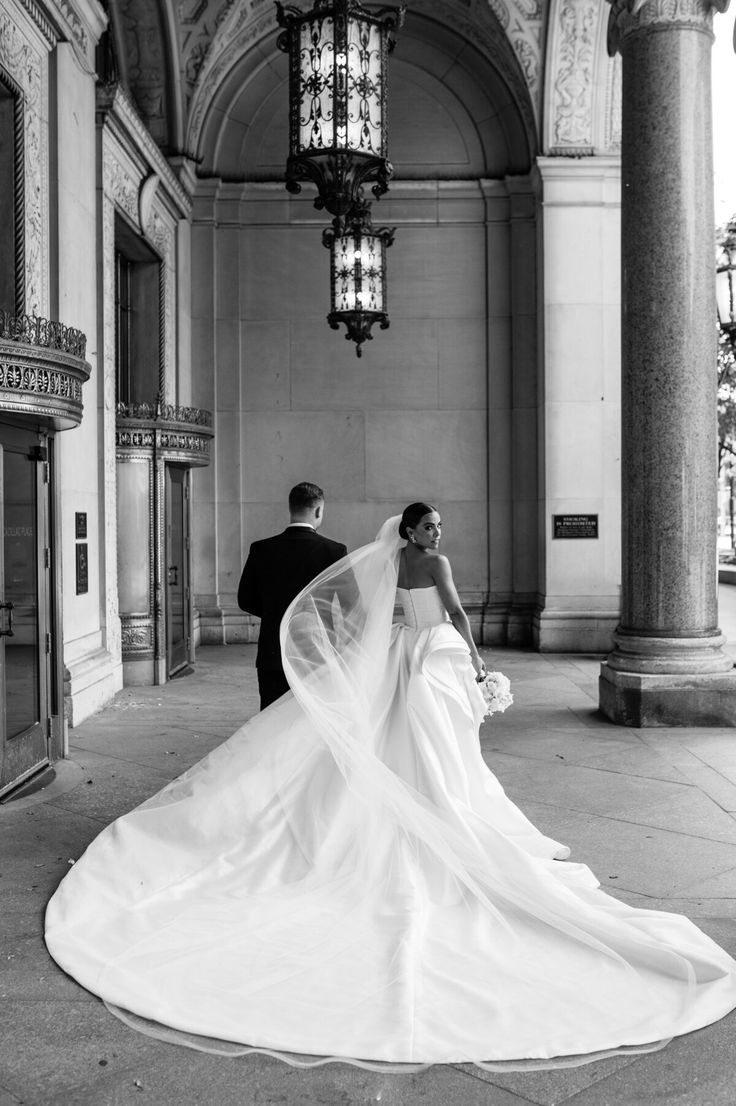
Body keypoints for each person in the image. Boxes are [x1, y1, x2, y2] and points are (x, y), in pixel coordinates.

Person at [44, 504, 736, 1070]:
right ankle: (438, 809)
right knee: (435, 744)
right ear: (413, 532)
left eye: (437, 528)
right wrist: (476, 658)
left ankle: (429, 801)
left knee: (404, 738)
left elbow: (371, 611)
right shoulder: (431, 563)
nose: (438, 535)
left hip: (402, 653)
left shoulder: (389, 560)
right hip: (431, 655)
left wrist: (411, 633)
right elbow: (458, 614)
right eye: (430, 527)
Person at [237, 482, 347, 709]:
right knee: (312, 721)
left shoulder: (261, 548)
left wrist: (276, 612)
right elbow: (349, 603)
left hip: (273, 651)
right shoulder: (334, 551)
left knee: (271, 718)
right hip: (317, 652)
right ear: (318, 511)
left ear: (291, 508)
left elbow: (245, 600)